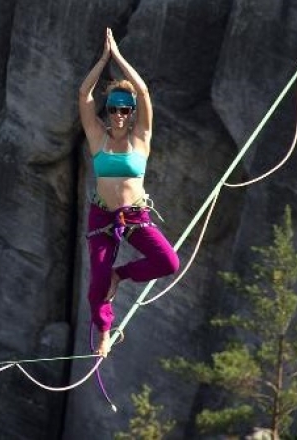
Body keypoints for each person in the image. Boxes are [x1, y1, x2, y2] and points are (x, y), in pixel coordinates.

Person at [78, 28, 180, 357]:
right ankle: (104, 332)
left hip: (134, 215)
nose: (119, 115)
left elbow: (144, 91)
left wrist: (119, 58)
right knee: (96, 285)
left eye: (124, 110)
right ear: (107, 111)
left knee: (168, 262)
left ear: (131, 112)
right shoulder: (98, 137)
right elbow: (84, 95)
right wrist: (103, 61)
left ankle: (119, 275)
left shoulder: (141, 138)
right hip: (102, 216)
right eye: (113, 109)